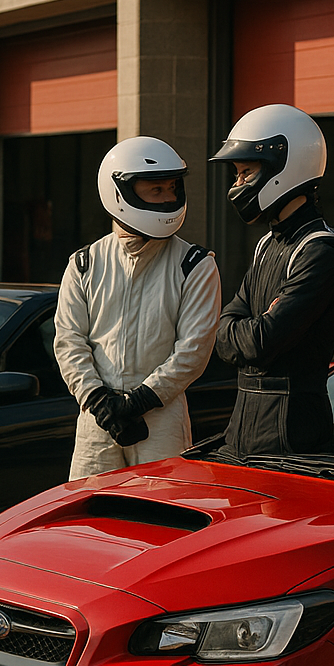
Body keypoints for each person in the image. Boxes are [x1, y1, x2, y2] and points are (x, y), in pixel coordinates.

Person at [54, 136, 221, 478]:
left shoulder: (195, 265)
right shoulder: (85, 263)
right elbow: (68, 341)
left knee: (164, 521)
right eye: (156, 190)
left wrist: (140, 401)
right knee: (89, 522)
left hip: (161, 418)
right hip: (96, 421)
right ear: (120, 193)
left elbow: (194, 351)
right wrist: (99, 401)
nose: (170, 198)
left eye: (172, 188)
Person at [209, 103, 334, 456]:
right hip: (242, 432)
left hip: (292, 442)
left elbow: (261, 341)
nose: (237, 184)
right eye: (236, 174)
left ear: (283, 168)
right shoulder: (266, 245)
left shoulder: (321, 251)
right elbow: (223, 332)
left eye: (245, 173)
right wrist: (247, 328)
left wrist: (247, 329)